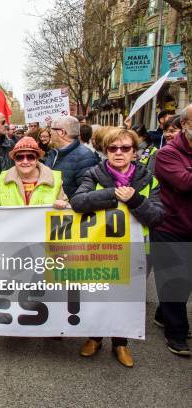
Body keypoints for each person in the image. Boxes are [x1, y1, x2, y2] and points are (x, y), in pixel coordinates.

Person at [71, 128, 164, 367]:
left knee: (126, 297)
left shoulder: (148, 178)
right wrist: (113, 194)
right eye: (113, 148)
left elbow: (157, 216)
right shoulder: (94, 173)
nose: (119, 153)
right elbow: (78, 202)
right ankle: (95, 338)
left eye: (125, 148)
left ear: (134, 152)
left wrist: (134, 199)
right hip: (100, 247)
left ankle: (120, 343)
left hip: (136, 250)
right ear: (105, 151)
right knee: (97, 292)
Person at [151, 103, 192, 357]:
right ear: (185, 125)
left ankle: (162, 314)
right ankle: (176, 334)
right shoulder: (167, 153)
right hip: (170, 226)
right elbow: (185, 183)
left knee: (185, 280)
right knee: (174, 279)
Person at [0, 137, 68, 210]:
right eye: (20, 157)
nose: (25, 161)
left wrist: (62, 203)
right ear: (14, 160)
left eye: (30, 157)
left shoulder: (54, 178)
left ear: (37, 159)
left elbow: (66, 205)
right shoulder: (4, 177)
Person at [44, 116, 98, 199]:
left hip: (68, 210)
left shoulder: (85, 157)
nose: (50, 132)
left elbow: (86, 193)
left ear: (61, 132)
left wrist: (66, 203)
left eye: (52, 129)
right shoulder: (53, 152)